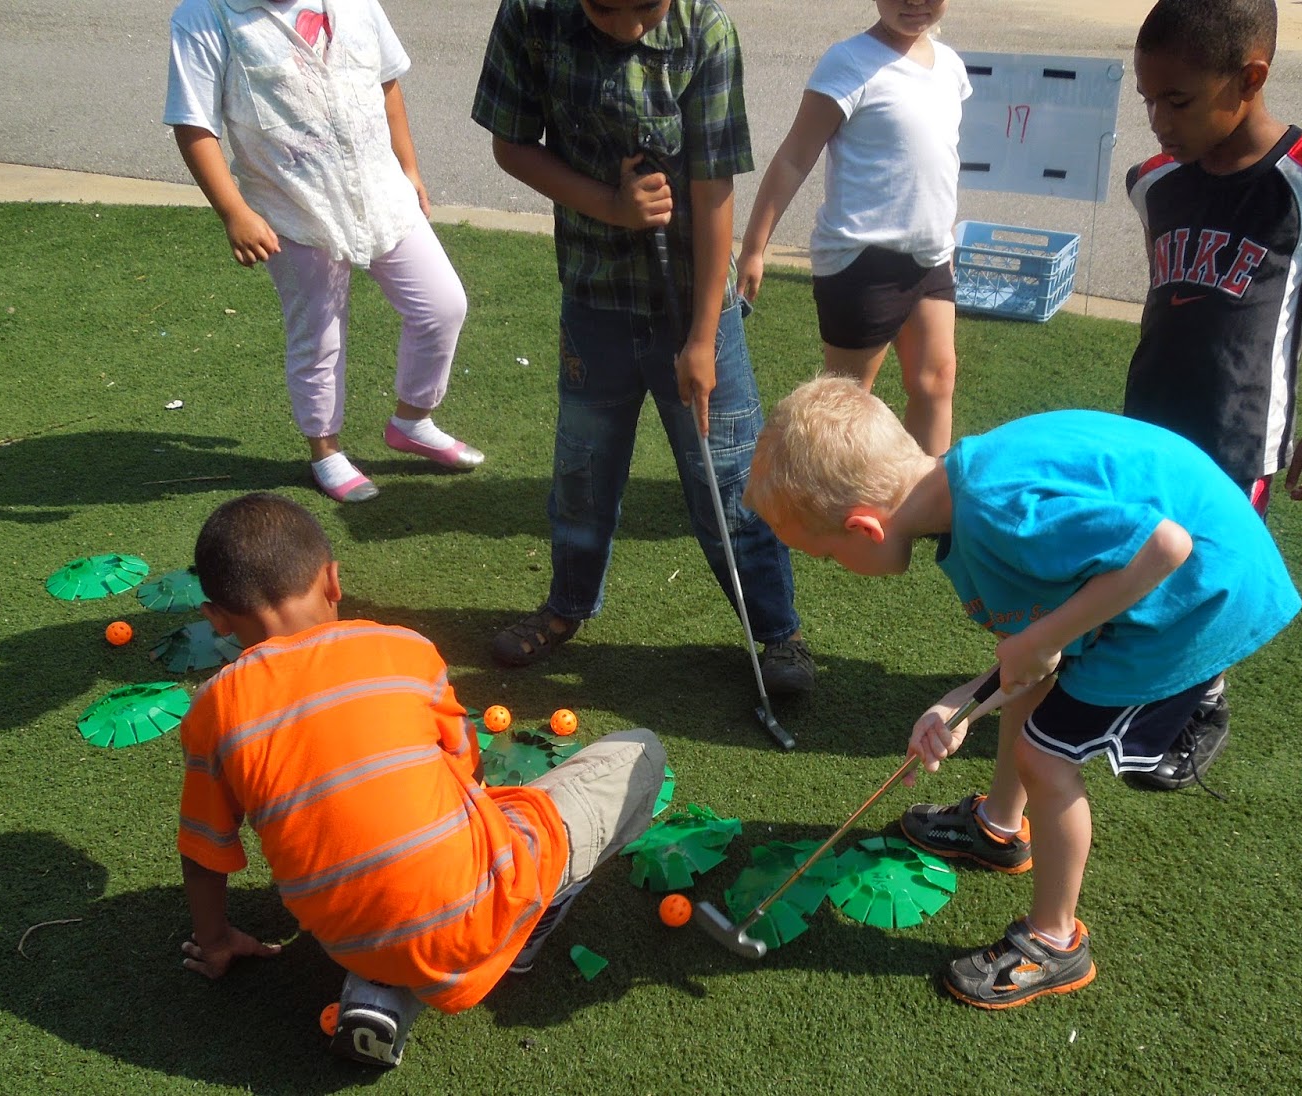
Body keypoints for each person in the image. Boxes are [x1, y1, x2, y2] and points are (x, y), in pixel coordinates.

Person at [742, 375, 1301, 1009]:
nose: (834, 568)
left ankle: (1056, 942)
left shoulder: (996, 512)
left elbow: (1164, 546)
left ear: (866, 528)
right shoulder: (960, 490)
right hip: (1165, 578)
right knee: (1030, 697)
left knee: (1046, 755)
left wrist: (1046, 639)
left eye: (825, 555)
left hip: (1200, 598)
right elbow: (1034, 651)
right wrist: (959, 701)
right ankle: (999, 828)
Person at [175, 493, 665, 1066]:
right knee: (641, 753)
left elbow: (203, 851)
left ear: (215, 617)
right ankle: (521, 933)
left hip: (345, 939)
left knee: (391, 898)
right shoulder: (402, 649)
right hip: (475, 905)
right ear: (333, 580)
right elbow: (468, 771)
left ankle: (378, 990)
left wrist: (215, 942)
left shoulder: (212, 709)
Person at [469, 0, 815, 695]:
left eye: (645, 9)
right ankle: (567, 606)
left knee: (726, 476)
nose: (627, 26)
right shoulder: (531, 14)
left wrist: (702, 335)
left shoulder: (705, 29)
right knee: (582, 471)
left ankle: (777, 633)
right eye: (604, 7)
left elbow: (714, 187)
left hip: (693, 302)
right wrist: (612, 207)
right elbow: (512, 144)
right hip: (595, 292)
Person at [1123, 0, 1302, 788]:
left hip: (1240, 428)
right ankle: (1137, 684)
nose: (1158, 120)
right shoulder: (1156, 182)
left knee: (1213, 573)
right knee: (1144, 558)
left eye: (1178, 100)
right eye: (1147, 99)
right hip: (1152, 418)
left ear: (1249, 77)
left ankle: (1204, 700)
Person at [163, 0, 484, 505]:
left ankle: (412, 420)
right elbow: (194, 125)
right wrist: (234, 213)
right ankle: (325, 450)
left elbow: (386, 85)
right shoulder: (206, 16)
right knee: (319, 333)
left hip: (380, 192)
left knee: (442, 305)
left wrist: (410, 169)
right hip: (290, 206)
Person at [736, 0, 969, 456]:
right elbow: (793, 157)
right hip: (861, 260)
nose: (915, 2)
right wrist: (754, 246)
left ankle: (925, 500)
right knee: (845, 405)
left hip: (931, 255)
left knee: (936, 381)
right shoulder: (849, 62)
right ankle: (823, 507)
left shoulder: (951, 68)